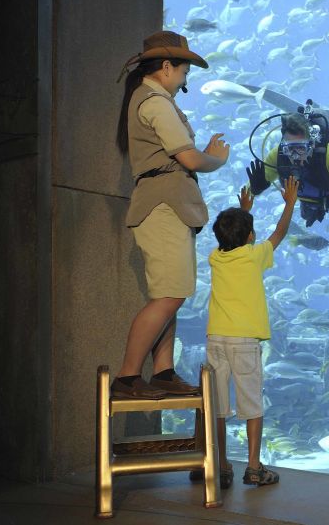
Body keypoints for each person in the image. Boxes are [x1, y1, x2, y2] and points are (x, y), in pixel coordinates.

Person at [112, 30, 230, 399]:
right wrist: (216, 159)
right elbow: (189, 159)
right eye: (183, 72)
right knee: (169, 296)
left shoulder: (151, 100)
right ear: (166, 67)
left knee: (171, 293)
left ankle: (163, 372)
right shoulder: (155, 102)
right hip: (163, 207)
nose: (184, 81)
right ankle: (127, 378)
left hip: (169, 205)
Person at [204, 175, 299, 488]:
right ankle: (254, 467)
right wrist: (290, 204)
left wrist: (244, 210)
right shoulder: (253, 255)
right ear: (249, 236)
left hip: (216, 339)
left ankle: (222, 465)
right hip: (244, 341)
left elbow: (232, 236)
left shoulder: (215, 257)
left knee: (218, 407)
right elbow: (279, 233)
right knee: (252, 404)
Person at [246, 111, 329, 226]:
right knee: (306, 215)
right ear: (283, 146)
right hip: (308, 199)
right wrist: (255, 189)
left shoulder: (328, 154)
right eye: (289, 149)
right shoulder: (278, 155)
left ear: (312, 145)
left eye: (301, 148)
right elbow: (247, 192)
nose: (295, 155)